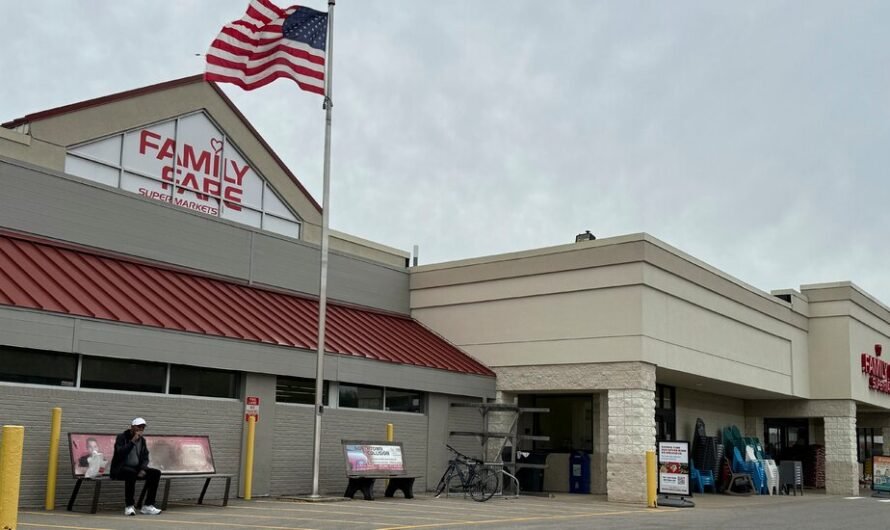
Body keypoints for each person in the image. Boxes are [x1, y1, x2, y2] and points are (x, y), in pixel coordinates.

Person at [110, 417, 162, 516]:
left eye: (142, 427)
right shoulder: (121, 437)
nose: (140, 429)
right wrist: (132, 441)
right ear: (132, 427)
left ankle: (148, 505)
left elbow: (145, 457)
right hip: (120, 469)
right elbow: (120, 453)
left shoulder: (142, 441)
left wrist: (143, 468)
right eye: (138, 427)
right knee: (130, 473)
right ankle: (129, 505)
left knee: (155, 473)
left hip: (136, 469)